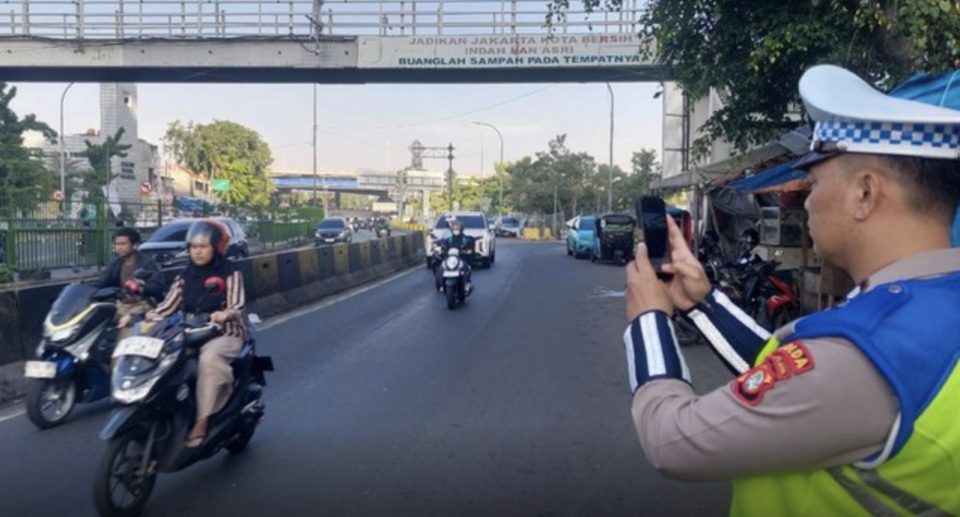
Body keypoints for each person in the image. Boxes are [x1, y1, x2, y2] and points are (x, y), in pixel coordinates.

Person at [621, 64, 960, 515]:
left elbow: (672, 441)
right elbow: (795, 381)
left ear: (865, 193)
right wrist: (704, 304)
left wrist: (649, 319)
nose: (805, 199)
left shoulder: (868, 351)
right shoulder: (925, 309)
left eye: (815, 182)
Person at [145, 219, 248, 448]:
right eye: (193, 247)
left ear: (214, 248)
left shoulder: (230, 272)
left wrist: (225, 314)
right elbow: (168, 305)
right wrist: (149, 315)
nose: (198, 252)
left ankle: (202, 421)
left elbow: (237, 304)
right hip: (190, 332)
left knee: (208, 360)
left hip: (225, 333)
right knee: (161, 360)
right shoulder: (185, 275)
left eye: (203, 247)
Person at [97, 228, 165, 340]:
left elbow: (158, 287)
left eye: (123, 244)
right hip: (121, 304)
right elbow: (103, 281)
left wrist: (142, 287)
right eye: (117, 244)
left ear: (135, 245)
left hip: (142, 304)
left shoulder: (147, 263)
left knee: (126, 327)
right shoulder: (117, 263)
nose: (119, 247)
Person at [434, 217, 474, 294]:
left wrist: (468, 251)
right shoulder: (449, 239)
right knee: (441, 268)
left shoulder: (465, 239)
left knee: (466, 268)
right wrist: (440, 250)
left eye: (457, 229)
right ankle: (441, 284)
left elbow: (470, 245)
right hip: (450, 259)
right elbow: (443, 245)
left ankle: (466, 284)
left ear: (461, 229)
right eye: (454, 229)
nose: (456, 231)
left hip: (461, 258)